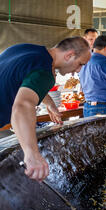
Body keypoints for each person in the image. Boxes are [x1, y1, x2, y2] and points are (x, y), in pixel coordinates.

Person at [0, 37, 91, 181]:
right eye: (80, 64)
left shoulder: (24, 48)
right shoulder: (45, 73)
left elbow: (26, 82)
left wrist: (49, 103)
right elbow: (22, 105)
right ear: (69, 55)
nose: (78, 71)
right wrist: (31, 153)